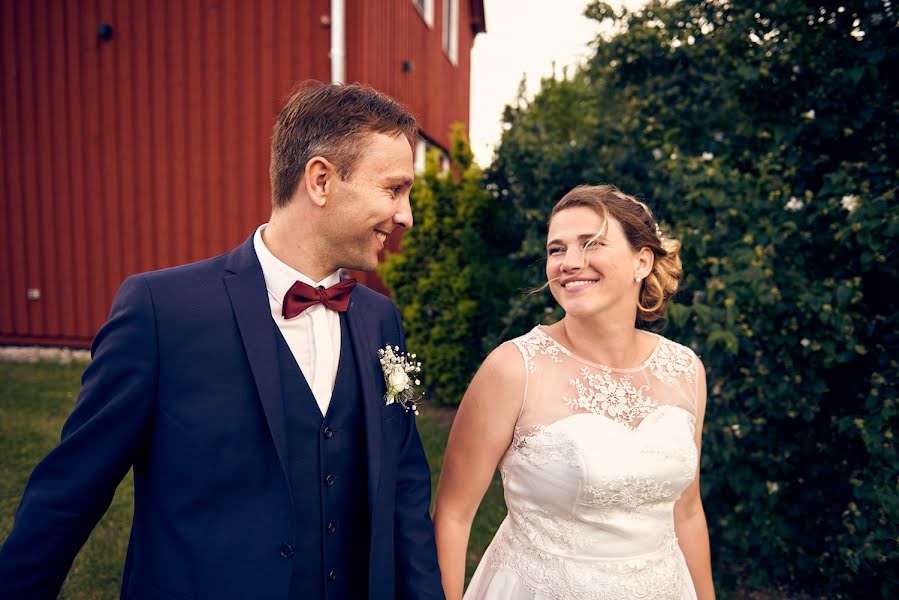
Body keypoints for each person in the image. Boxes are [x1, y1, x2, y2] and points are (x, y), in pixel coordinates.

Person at [0, 82, 445, 600]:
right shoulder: (161, 311)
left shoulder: (380, 319)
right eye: (394, 189)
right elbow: (69, 495)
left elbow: (405, 489)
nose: (406, 215)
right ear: (321, 180)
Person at [433, 184, 715, 599]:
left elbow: (687, 510)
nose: (569, 263)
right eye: (556, 249)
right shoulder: (513, 368)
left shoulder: (686, 369)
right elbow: (453, 517)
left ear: (642, 261)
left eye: (592, 244)